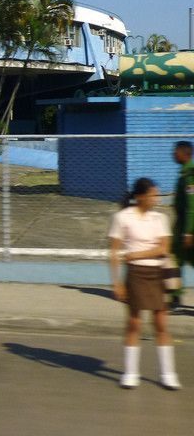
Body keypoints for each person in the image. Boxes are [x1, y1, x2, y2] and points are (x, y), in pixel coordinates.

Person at [109, 177, 180, 390]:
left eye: (157, 195)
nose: (156, 199)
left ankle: (168, 373)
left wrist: (132, 255)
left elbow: (163, 249)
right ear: (140, 197)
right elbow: (113, 252)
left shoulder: (160, 218)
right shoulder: (123, 217)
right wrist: (116, 283)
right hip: (136, 275)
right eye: (152, 195)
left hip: (157, 272)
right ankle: (131, 373)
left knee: (161, 323)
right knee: (134, 323)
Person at [170, 140, 194, 311]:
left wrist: (188, 232)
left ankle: (176, 299)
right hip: (181, 227)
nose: (173, 154)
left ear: (185, 154)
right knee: (175, 261)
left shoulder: (190, 176)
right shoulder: (184, 174)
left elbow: (192, 207)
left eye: (175, 152)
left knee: (178, 261)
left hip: (189, 229)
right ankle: (175, 299)